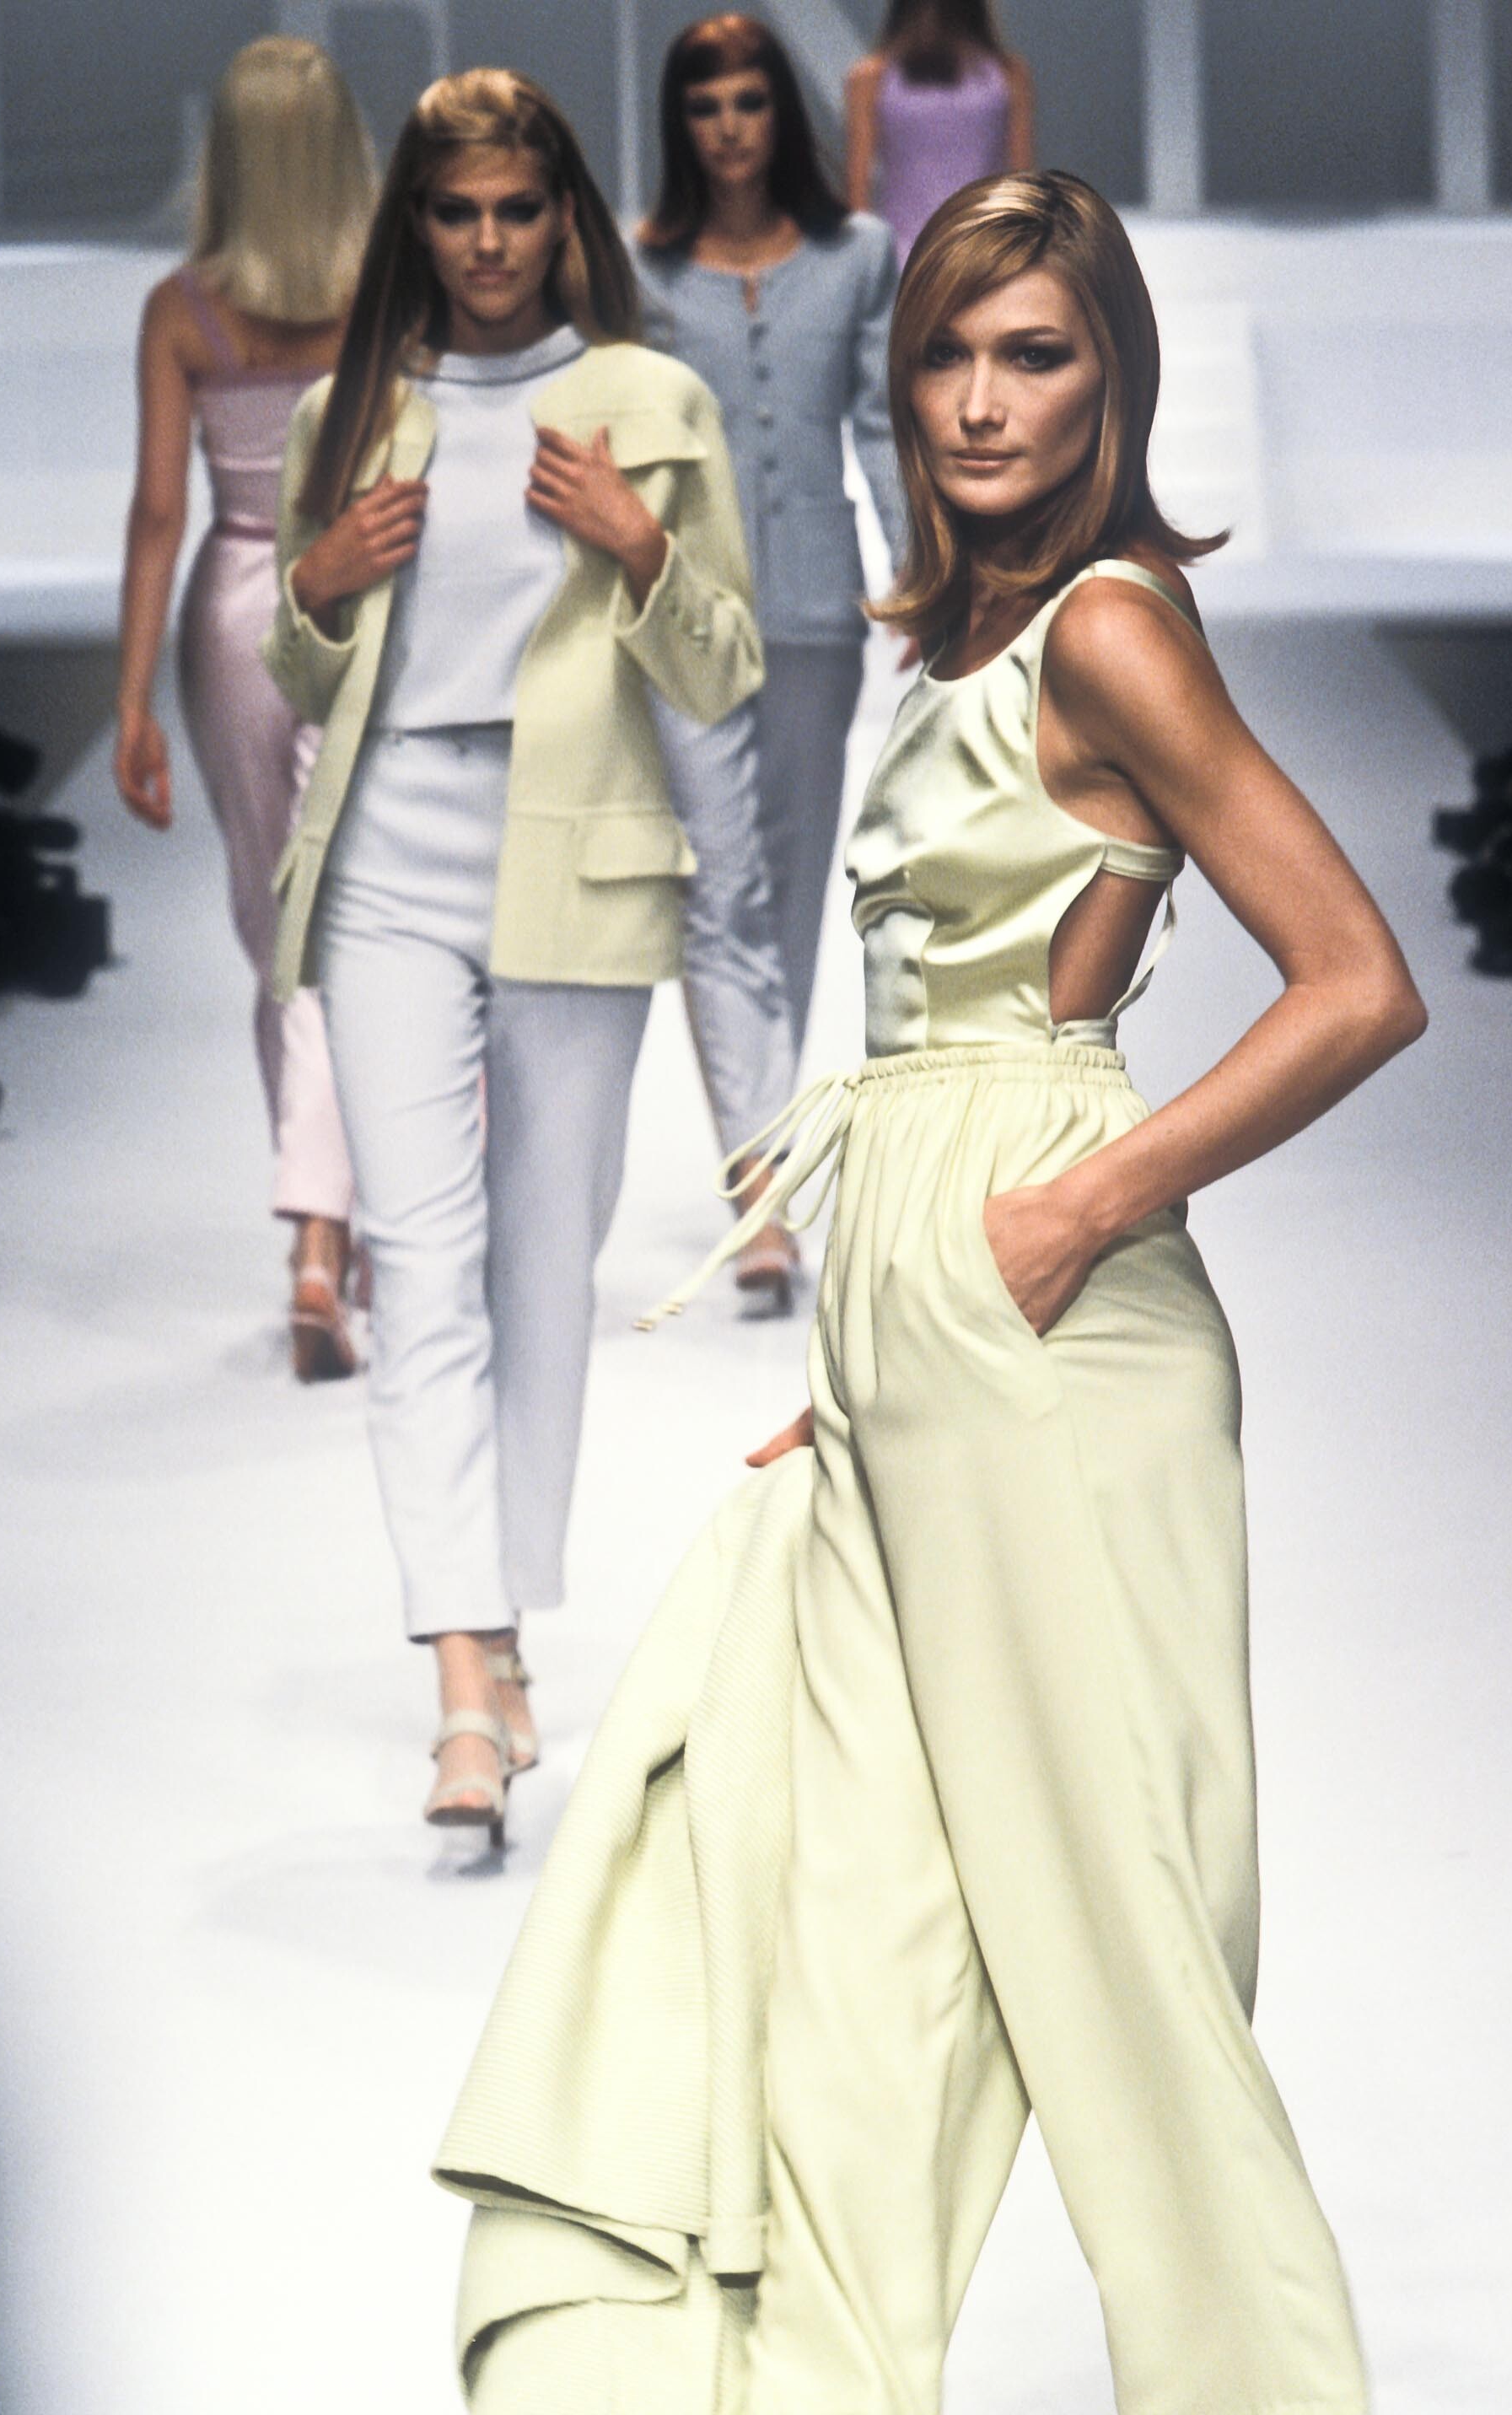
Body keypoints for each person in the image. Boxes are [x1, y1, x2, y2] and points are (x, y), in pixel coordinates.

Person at [433, 171, 1427, 2411]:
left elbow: (1356, 980)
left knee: (1116, 1951)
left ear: (1110, 382)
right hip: (922, 1322)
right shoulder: (966, 628)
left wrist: (1074, 1214)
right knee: (859, 1915)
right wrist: (874, 1358)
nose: (980, 401)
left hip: (1046, 1318)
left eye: (1034, 354)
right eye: (948, 354)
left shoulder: (1110, 632)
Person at [261, 69, 761, 1833]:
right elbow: (303, 670)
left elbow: (722, 662)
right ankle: (464, 1675)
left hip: (579, 848)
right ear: (413, 222)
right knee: (417, 1258)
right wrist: (317, 586)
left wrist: (638, 547)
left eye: (516, 210)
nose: (485, 243)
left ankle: (505, 1621)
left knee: (542, 1271)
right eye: (454, 211)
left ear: (564, 219)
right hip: (389, 851)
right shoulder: (348, 410)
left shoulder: (651, 401)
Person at [637, 14, 911, 1304]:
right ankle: (759, 1190)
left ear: (780, 114)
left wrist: (918, 572)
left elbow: (882, 423)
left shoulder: (858, 257)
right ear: (680, 125)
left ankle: (765, 1143)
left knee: (791, 889)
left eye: (748, 102)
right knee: (717, 885)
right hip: (683, 611)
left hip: (814, 606)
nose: (729, 128)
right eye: (706, 108)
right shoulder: (641, 271)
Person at [115, 36, 374, 1379]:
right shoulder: (384, 299)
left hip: (229, 611)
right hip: (356, 606)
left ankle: (318, 1237)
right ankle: (333, 1232)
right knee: (343, 923)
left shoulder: (182, 311)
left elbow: (161, 514)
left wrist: (131, 704)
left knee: (280, 935)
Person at [847, 0, 1035, 263]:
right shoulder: (1008, 75)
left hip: (925, 263)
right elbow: (1022, 187)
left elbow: (858, 198)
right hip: (981, 261)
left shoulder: (870, 78)